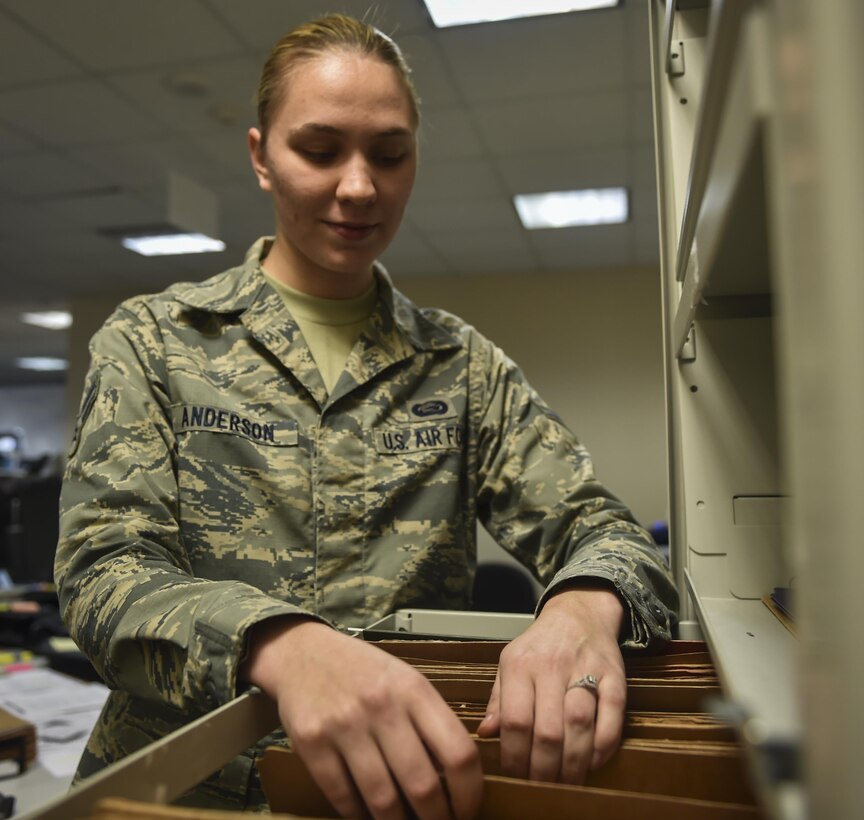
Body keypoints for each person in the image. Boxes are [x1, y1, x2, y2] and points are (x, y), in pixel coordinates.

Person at [56, 13, 678, 820]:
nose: (359, 187)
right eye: (319, 150)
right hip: (182, 790)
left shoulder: (460, 367)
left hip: (388, 791)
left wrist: (584, 608)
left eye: (389, 154)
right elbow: (101, 568)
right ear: (260, 158)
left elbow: (601, 525)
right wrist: (283, 646)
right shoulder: (155, 341)